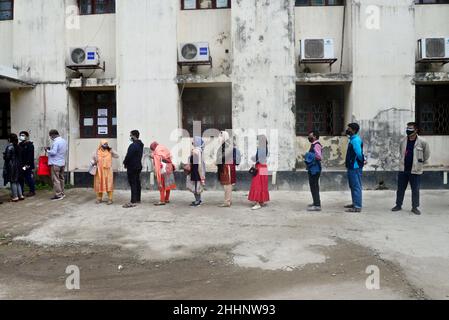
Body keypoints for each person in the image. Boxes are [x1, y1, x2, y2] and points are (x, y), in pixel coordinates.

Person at [391, 122, 430, 215]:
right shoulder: (402, 141)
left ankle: (415, 207)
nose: (408, 131)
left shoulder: (423, 142)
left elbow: (427, 154)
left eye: (410, 129)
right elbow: (401, 152)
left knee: (415, 189)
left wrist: (420, 163)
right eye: (407, 128)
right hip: (403, 169)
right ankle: (398, 205)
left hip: (415, 170)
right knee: (400, 189)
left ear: (416, 130)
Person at [344, 123, 365, 213]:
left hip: (355, 167)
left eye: (349, 128)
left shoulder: (356, 140)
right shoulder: (352, 139)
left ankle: (357, 206)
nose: (347, 130)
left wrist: (361, 161)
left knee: (356, 186)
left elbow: (359, 154)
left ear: (353, 130)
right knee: (353, 186)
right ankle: (355, 203)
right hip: (352, 166)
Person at [91, 139, 119, 205]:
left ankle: (110, 199)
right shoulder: (96, 152)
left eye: (107, 144)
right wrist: (94, 162)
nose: (106, 145)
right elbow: (92, 160)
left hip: (108, 171)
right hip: (99, 171)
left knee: (108, 184)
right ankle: (99, 198)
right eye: (104, 144)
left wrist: (112, 150)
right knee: (99, 184)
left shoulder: (109, 151)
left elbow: (117, 156)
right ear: (101, 144)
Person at [150, 141, 176, 206]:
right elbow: (169, 158)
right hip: (169, 169)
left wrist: (152, 156)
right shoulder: (164, 148)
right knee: (168, 185)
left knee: (161, 186)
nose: (153, 151)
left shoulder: (157, 153)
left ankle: (162, 200)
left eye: (152, 149)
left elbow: (157, 165)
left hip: (162, 171)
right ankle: (166, 199)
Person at [123, 130, 144, 208]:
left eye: (131, 135)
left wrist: (125, 163)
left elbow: (128, 156)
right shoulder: (140, 144)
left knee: (133, 183)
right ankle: (138, 199)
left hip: (132, 167)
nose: (130, 137)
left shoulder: (133, 145)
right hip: (138, 166)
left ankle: (133, 200)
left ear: (134, 136)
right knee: (137, 182)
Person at [248, 134, 270, 210]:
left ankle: (257, 203)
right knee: (263, 184)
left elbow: (258, 158)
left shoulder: (260, 148)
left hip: (260, 167)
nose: (257, 141)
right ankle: (261, 201)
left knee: (257, 184)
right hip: (264, 167)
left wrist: (253, 160)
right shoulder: (266, 147)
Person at [46, 129, 68, 201]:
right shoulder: (63, 141)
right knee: (61, 178)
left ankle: (58, 195)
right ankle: (62, 193)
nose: (50, 138)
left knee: (56, 179)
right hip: (62, 162)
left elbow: (54, 152)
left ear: (53, 135)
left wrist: (47, 150)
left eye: (50, 136)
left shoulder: (56, 142)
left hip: (55, 163)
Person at [3, 133, 24, 202]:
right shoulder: (18, 146)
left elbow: (7, 157)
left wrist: (4, 155)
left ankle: (15, 197)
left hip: (11, 166)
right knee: (17, 181)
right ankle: (20, 195)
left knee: (13, 181)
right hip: (18, 165)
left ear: (9, 139)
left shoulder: (10, 147)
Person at [305, 130, 322, 212]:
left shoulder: (317, 145)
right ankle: (315, 202)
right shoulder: (313, 144)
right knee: (313, 186)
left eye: (310, 135)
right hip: (313, 168)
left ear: (315, 136)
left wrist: (309, 155)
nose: (309, 137)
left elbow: (319, 157)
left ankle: (317, 205)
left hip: (315, 168)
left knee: (314, 186)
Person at [186, 136, 206, 207]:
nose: (192, 142)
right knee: (196, 186)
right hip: (195, 170)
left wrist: (201, 175)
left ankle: (198, 201)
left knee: (196, 186)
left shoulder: (196, 151)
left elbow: (199, 164)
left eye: (194, 140)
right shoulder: (198, 150)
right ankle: (198, 200)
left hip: (196, 171)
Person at [18, 131, 36, 197]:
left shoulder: (30, 145)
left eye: (23, 135)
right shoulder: (19, 145)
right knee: (21, 178)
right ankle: (21, 192)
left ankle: (32, 191)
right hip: (20, 165)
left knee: (28, 177)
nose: (21, 136)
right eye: (20, 135)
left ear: (27, 136)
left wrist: (26, 165)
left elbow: (30, 156)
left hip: (27, 165)